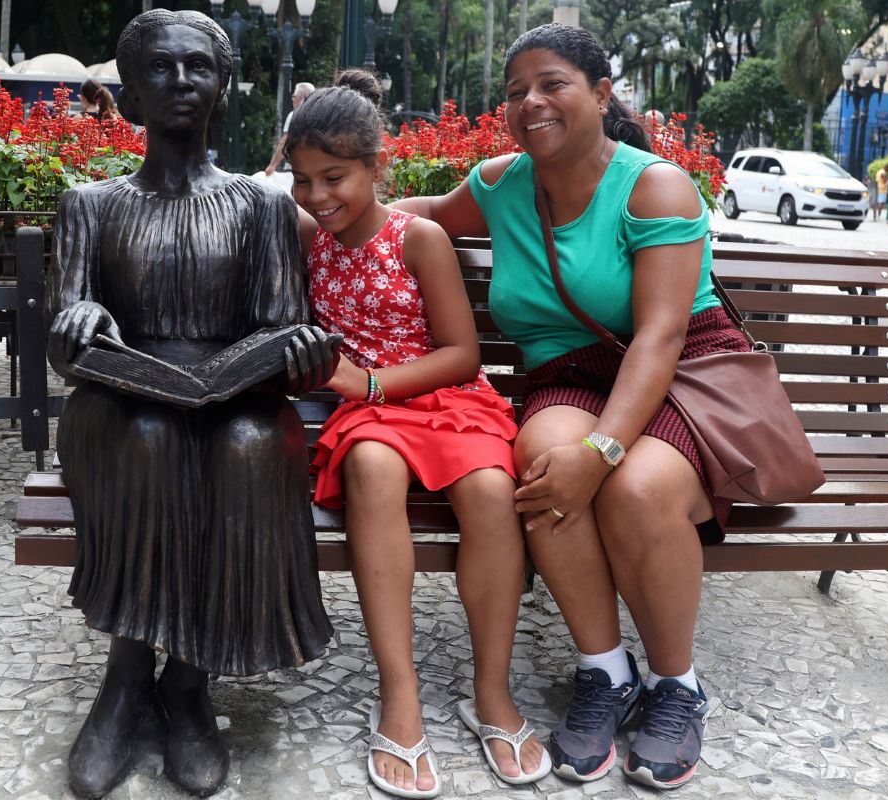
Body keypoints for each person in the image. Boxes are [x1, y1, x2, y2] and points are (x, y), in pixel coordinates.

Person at [393, 23, 754, 791]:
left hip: (681, 374)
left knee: (636, 486)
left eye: (551, 84)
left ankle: (676, 686)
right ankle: (604, 670)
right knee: (541, 461)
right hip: (567, 373)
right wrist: (327, 204)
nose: (530, 102)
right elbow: (417, 212)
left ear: (599, 93)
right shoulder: (500, 183)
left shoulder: (653, 185)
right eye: (516, 90)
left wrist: (604, 454)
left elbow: (659, 338)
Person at [44, 10, 338, 798]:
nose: (181, 82)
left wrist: (300, 354)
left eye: (197, 68)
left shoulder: (261, 206)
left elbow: (280, 326)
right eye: (161, 69)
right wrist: (80, 324)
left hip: (233, 394)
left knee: (250, 447)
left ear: (222, 87)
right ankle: (128, 672)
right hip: (121, 399)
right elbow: (62, 346)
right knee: (146, 434)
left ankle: (190, 681)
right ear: (132, 90)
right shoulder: (90, 204)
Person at [286, 70, 548, 797]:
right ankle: (399, 696)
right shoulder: (307, 235)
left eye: (335, 176)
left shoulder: (420, 238)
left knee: (494, 490)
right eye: (304, 180)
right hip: (367, 414)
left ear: (376, 166)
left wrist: (368, 380)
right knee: (371, 470)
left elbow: (462, 354)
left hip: (440, 396)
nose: (318, 197)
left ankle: (491, 691)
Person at [263, 81, 315, 176]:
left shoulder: (294, 115)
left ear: (298, 98)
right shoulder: (319, 115)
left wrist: (272, 166)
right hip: (315, 167)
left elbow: (285, 142)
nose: (292, 99)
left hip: (295, 168)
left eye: (293, 96)